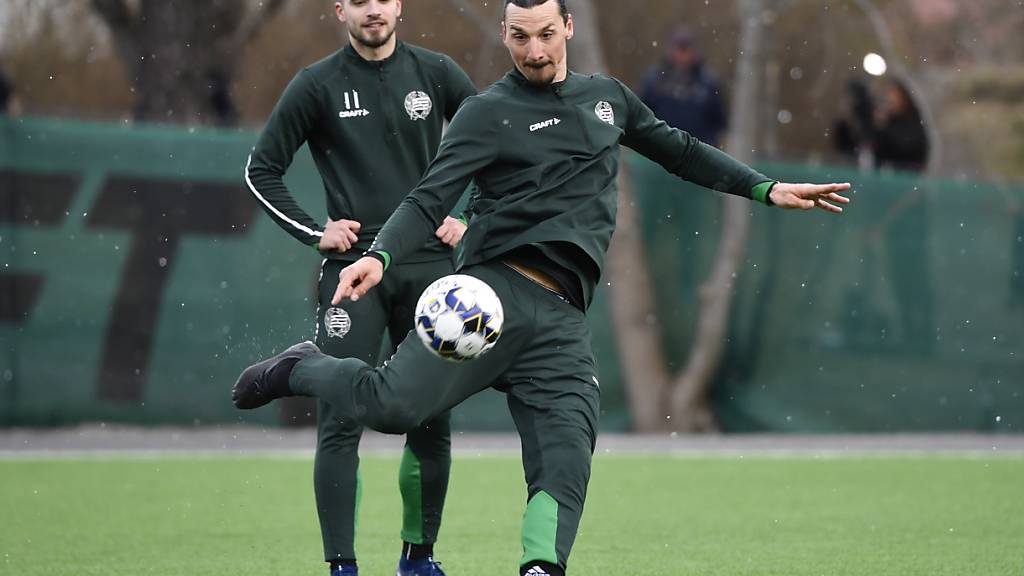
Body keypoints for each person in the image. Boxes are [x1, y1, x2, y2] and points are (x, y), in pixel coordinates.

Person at [234, 1, 851, 574]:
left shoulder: (607, 100)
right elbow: (429, 197)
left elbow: (682, 151)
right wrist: (381, 256)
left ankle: (537, 569)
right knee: (393, 409)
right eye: (521, 36)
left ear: (569, 29)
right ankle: (302, 368)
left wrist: (766, 188)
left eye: (547, 34)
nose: (534, 51)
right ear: (505, 36)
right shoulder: (486, 112)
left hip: (560, 318)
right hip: (488, 297)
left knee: (568, 452)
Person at [244, 0, 476, 574]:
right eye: (360, 0)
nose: (374, 10)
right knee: (340, 417)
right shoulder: (316, 85)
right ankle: (342, 566)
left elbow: (498, 148)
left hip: (430, 268)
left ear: (399, 6)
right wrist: (315, 231)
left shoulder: (439, 74)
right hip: (353, 269)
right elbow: (260, 169)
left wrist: (472, 215)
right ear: (340, 9)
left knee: (430, 414)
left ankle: (418, 559)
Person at [639, 26, 727, 146]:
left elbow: (719, 120)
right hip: (661, 148)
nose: (682, 55)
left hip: (699, 150)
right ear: (671, 50)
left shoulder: (708, 82)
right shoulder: (654, 81)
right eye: (679, 49)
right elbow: (643, 115)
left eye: (686, 49)